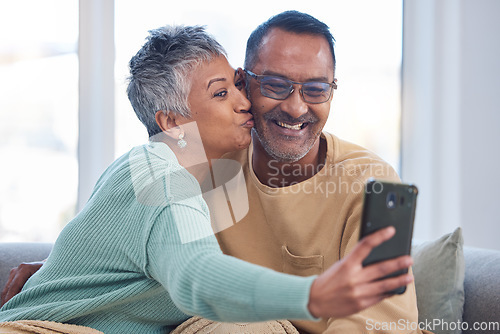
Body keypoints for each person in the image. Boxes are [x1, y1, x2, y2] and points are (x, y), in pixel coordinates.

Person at [0, 25, 412, 334]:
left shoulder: (378, 183)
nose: (295, 106)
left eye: (316, 89)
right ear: (246, 79)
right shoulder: (181, 169)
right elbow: (195, 271)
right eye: (273, 85)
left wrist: (68, 271)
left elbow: (386, 321)